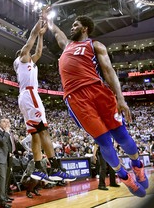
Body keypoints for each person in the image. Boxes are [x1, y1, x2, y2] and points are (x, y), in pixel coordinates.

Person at [47, 14, 148, 197]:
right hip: (76, 98)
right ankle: (125, 177)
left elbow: (109, 71)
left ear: (84, 28)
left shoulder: (95, 45)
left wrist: (121, 98)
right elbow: (56, 32)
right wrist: (47, 20)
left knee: (122, 135)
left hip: (98, 91)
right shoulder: (67, 46)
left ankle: (137, 165)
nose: (72, 28)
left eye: (75, 25)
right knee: (104, 142)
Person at [13, 11, 76, 183]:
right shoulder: (22, 57)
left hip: (24, 97)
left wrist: (41, 36)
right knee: (43, 130)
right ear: (22, 55)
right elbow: (31, 38)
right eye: (27, 53)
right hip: (30, 94)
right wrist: (41, 20)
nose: (30, 54)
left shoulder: (29, 63)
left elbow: (39, 52)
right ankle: (55, 168)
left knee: (34, 134)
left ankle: (38, 169)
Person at [0, 118, 12, 208]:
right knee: (2, 179)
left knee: (4, 180)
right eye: (4, 121)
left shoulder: (6, 133)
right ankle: (1, 201)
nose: (7, 123)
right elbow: (2, 142)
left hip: (6, 158)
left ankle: (2, 199)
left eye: (8, 122)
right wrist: (7, 132)